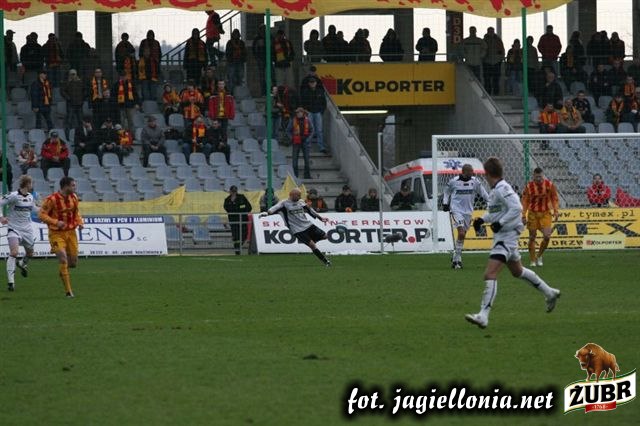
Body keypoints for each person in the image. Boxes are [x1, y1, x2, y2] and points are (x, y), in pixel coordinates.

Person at [465, 157, 560, 329]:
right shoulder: (496, 190)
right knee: (518, 271)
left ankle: (483, 316)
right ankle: (549, 292)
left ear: (488, 174)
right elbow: (496, 212)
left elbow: (516, 208)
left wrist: (500, 223)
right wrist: (482, 219)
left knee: (490, 274)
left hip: (506, 237)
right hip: (504, 236)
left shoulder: (503, 188)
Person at [259, 188, 331, 266]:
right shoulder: (284, 203)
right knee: (312, 245)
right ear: (292, 195)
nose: (300, 197)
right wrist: (266, 213)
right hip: (297, 230)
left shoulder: (301, 202)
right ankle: (325, 261)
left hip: (308, 225)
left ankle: (313, 240)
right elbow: (273, 209)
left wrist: (320, 218)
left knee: (325, 236)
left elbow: (310, 210)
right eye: (298, 195)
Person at [39, 177, 84, 298]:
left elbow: (76, 213)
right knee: (63, 258)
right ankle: (68, 292)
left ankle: (63, 271)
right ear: (65, 186)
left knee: (73, 263)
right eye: (73, 185)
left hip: (71, 233)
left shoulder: (74, 197)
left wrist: (80, 222)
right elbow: (41, 215)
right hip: (56, 234)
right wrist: (55, 222)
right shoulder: (51, 199)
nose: (75, 187)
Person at [443, 164, 489, 269]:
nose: (472, 173)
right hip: (456, 210)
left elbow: (483, 193)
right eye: (470, 172)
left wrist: (490, 201)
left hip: (468, 212)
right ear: (464, 172)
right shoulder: (454, 181)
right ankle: (457, 260)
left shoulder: (475, 182)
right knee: (461, 233)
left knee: (463, 235)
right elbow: (446, 191)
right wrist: (445, 203)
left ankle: (455, 255)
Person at [0, 176, 38, 292]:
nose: (32, 185)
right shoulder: (13, 195)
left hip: (27, 230)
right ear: (27, 184)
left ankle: (22, 263)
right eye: (31, 183)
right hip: (14, 228)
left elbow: (33, 209)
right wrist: (1, 217)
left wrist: (46, 210)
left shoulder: (31, 196)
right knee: (14, 252)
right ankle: (11, 282)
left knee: (30, 253)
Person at [521, 167, 559, 267]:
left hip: (545, 213)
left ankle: (539, 256)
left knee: (547, 236)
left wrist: (556, 211)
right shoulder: (529, 186)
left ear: (543, 176)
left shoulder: (549, 185)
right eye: (536, 177)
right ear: (533, 176)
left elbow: (554, 198)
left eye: (540, 177)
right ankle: (533, 260)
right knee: (532, 236)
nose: (538, 179)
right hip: (532, 214)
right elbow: (525, 201)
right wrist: (523, 215)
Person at [299, 77, 328, 154]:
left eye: (314, 82)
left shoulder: (320, 91)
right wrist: (305, 110)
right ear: (309, 83)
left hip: (318, 112)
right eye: (311, 82)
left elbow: (324, 102)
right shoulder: (306, 92)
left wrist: (321, 111)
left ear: (316, 83)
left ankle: (321, 146)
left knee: (319, 130)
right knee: (309, 129)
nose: (312, 84)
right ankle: (307, 145)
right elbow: (302, 102)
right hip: (309, 112)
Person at [223, 185, 252, 255]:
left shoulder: (242, 197)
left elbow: (249, 207)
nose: (234, 193)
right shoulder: (227, 200)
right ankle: (237, 250)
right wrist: (238, 208)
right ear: (230, 192)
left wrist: (242, 210)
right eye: (232, 191)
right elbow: (227, 209)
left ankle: (239, 246)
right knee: (236, 236)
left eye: (235, 191)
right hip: (234, 221)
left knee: (244, 235)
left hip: (243, 220)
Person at [287, 107, 314, 179]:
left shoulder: (308, 120)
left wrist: (308, 139)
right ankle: (295, 176)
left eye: (300, 112)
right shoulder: (293, 120)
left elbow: (312, 130)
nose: (298, 114)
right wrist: (292, 138)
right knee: (294, 160)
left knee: (307, 159)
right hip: (296, 141)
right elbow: (288, 130)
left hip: (305, 141)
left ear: (303, 113)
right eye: (297, 112)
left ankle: (307, 175)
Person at [482, 27, 505, 96]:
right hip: (487, 62)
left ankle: (496, 93)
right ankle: (487, 93)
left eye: (492, 31)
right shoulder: (484, 40)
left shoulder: (498, 40)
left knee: (496, 79)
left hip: (496, 62)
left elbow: (502, 50)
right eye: (489, 31)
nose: (491, 32)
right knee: (487, 79)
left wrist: (501, 58)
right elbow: (482, 50)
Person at [225, 29, 247, 95]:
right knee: (231, 78)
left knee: (240, 78)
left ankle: (239, 93)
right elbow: (227, 53)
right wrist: (230, 59)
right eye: (235, 34)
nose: (236, 35)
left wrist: (243, 59)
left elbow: (245, 52)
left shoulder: (242, 43)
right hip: (232, 63)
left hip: (240, 62)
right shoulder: (229, 43)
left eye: (237, 34)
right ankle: (231, 93)